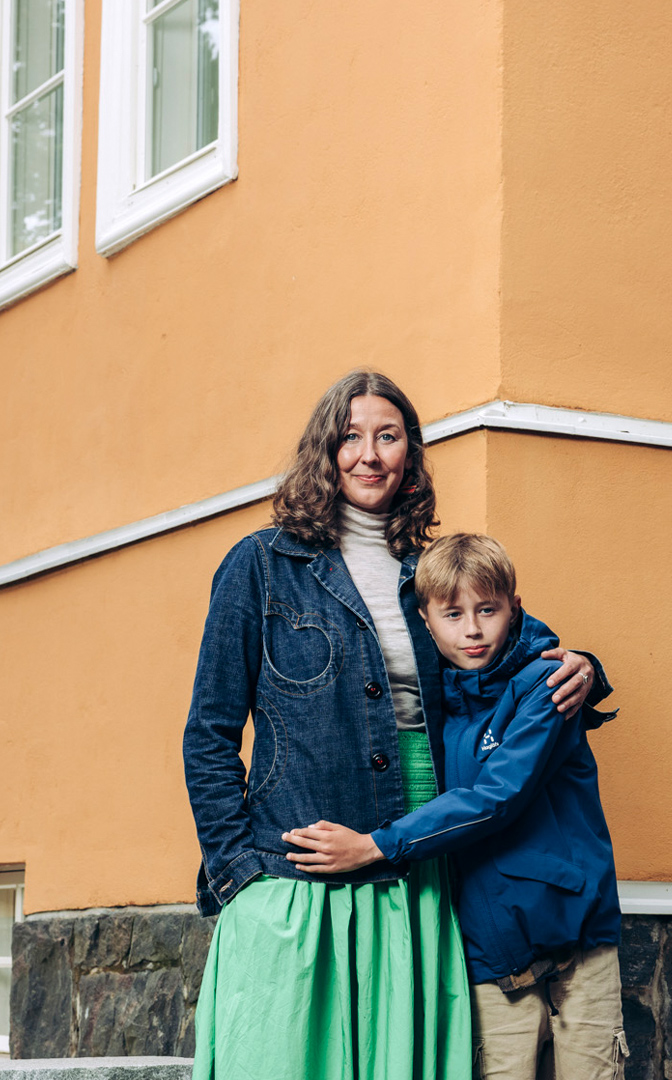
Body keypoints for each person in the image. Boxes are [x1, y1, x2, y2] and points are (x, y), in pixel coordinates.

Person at [183, 372, 610, 1080]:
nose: (369, 454)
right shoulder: (260, 566)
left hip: (414, 870)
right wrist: (241, 877)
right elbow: (210, 732)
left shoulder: (428, 572)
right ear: (324, 450)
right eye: (350, 437)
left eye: (388, 436)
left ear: (410, 453)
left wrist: (586, 663)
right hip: (297, 877)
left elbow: (506, 648)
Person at [281, 533, 624, 1080]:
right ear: (425, 618)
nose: (471, 629)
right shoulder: (431, 701)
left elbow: (497, 797)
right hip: (491, 951)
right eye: (452, 614)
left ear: (513, 605)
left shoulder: (549, 683)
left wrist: (374, 846)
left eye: (487, 609)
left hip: (578, 942)